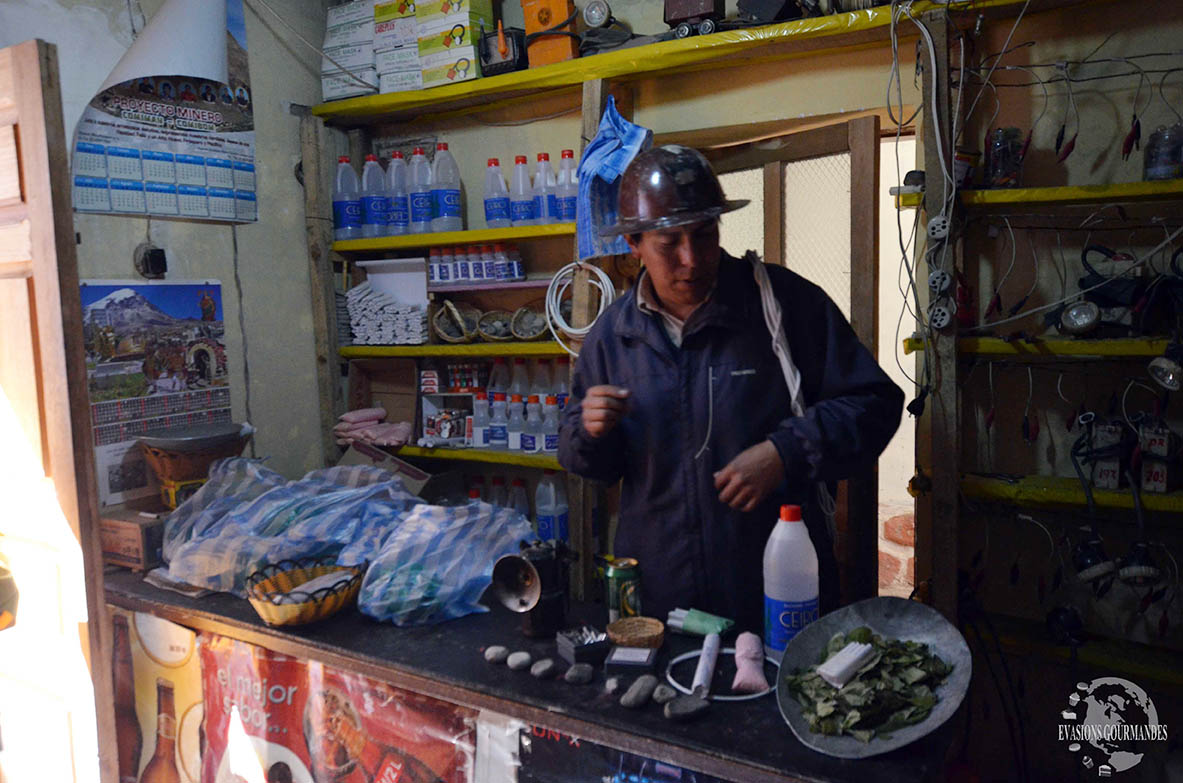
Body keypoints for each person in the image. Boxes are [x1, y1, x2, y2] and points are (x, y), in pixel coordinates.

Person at [558, 145, 904, 633]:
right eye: (668, 243)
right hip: (661, 599)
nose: (691, 259)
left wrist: (786, 451)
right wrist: (588, 433)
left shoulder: (781, 305)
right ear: (634, 243)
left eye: (704, 235)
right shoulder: (613, 337)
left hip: (776, 588)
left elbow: (875, 404)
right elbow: (586, 463)